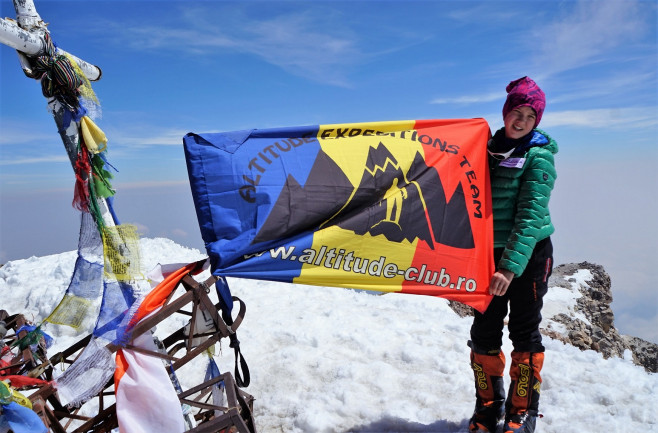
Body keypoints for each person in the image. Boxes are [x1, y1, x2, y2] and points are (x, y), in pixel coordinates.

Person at [467, 77, 557, 433]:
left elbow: (531, 215)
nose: (520, 121)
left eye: (529, 116)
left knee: (524, 332)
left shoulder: (538, 157)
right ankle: (488, 406)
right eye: (516, 113)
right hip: (487, 255)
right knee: (484, 332)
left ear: (537, 122)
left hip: (528, 255)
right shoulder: (485, 150)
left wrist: (508, 268)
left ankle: (523, 411)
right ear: (505, 113)